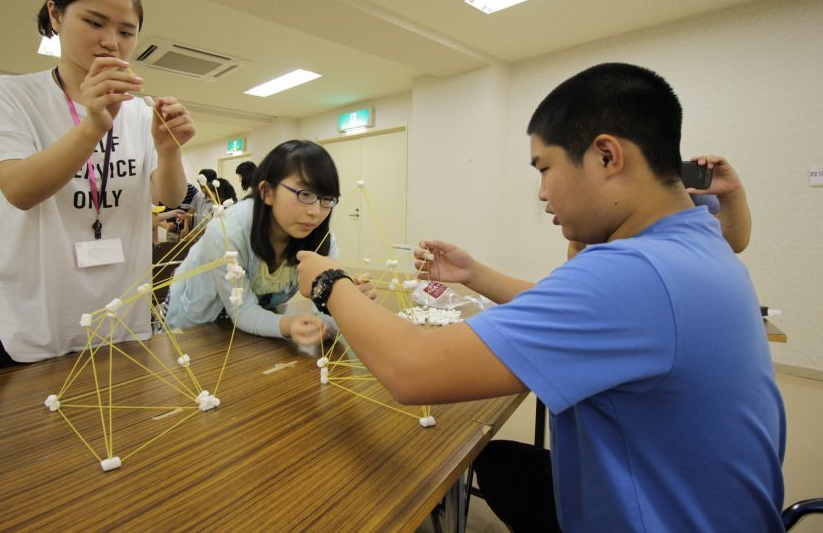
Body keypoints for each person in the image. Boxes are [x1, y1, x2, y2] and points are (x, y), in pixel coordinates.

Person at [296, 63, 785, 531]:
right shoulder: (695, 239)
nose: (541, 193)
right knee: (505, 462)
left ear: (607, 156)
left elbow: (412, 369)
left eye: (544, 167)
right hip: (715, 509)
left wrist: (329, 282)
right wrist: (475, 274)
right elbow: (578, 311)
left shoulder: (633, 273)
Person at [0, 0, 196, 367]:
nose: (111, 41)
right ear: (56, 15)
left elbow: (169, 196)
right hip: (29, 316)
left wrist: (168, 151)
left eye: (126, 31)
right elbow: (20, 191)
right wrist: (93, 125)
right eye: (95, 23)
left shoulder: (139, 109)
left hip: (120, 311)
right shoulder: (7, 95)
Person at [166, 140, 376, 348]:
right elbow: (244, 311)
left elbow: (325, 311)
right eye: (305, 194)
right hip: (192, 331)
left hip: (249, 335)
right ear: (266, 191)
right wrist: (287, 324)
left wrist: (346, 301)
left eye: (327, 199)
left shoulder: (319, 236)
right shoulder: (227, 230)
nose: (316, 212)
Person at [567, 152, 752, 259]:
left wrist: (732, 193)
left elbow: (732, 243)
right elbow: (576, 247)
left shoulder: (679, 183)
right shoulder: (598, 186)